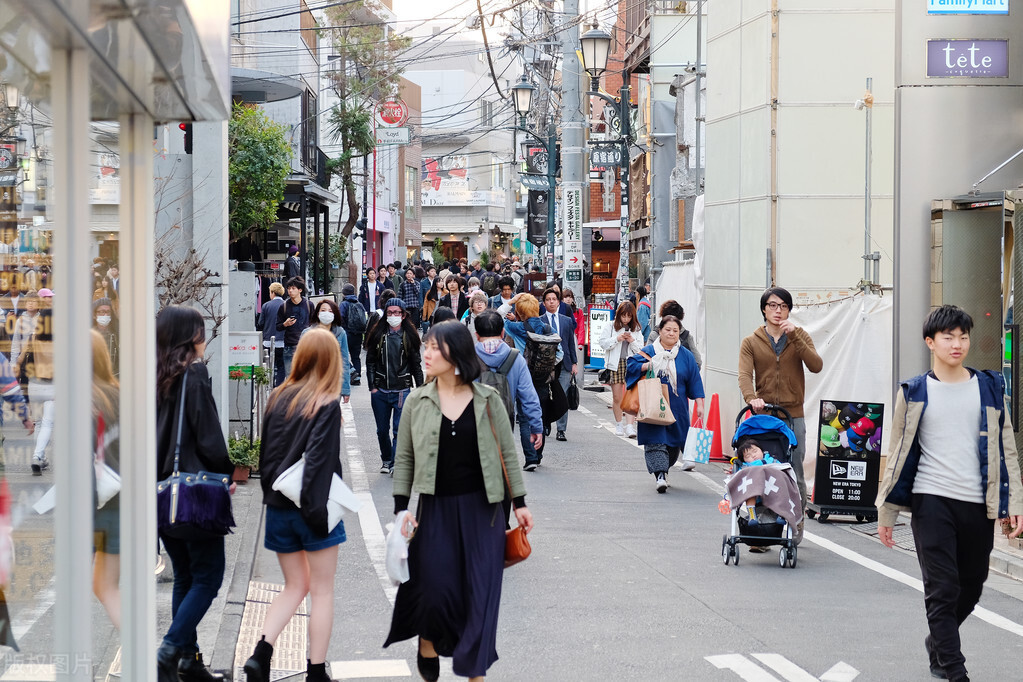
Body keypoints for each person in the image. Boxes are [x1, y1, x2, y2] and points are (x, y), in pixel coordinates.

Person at [876, 305, 1023, 682]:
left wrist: (1015, 503)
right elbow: (897, 456)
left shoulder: (989, 386)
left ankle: (938, 643)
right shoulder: (913, 392)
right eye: (948, 337)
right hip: (931, 500)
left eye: (963, 337)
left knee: (971, 585)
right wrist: (887, 512)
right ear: (930, 342)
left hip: (978, 502)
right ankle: (956, 673)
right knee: (942, 589)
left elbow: (1007, 448)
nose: (958, 344)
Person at [384, 321, 534, 682]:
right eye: (426, 347)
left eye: (435, 347)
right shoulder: (417, 402)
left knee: (480, 595)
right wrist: (402, 509)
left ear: (456, 354)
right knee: (435, 588)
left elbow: (508, 456)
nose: (426, 353)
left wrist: (520, 503)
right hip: (435, 510)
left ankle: (474, 673)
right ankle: (427, 639)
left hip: (485, 513)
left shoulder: (487, 400)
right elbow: (404, 458)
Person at [243, 329, 346, 682]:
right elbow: (318, 462)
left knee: (293, 585)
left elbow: (266, 455)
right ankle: (316, 671)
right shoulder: (327, 403)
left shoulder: (276, 397)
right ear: (332, 361)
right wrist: (319, 516)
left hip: (278, 509)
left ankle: (261, 652)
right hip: (313, 509)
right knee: (322, 590)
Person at [155, 306, 234, 682]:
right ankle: (170, 649)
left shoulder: (152, 374)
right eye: (200, 331)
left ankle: (189, 661)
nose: (204, 338)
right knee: (208, 578)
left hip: (161, 493)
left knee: (185, 577)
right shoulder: (194, 372)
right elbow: (208, 433)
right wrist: (226, 469)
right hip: (194, 492)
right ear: (189, 336)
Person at [737, 287, 822, 538]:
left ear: (789, 310)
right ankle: (762, 529)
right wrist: (752, 399)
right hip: (763, 417)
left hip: (792, 414)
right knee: (760, 471)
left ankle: (796, 525)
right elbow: (744, 375)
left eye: (783, 306)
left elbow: (816, 365)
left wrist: (795, 337)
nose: (778, 310)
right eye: (773, 305)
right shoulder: (751, 342)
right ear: (764, 309)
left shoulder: (799, 335)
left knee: (793, 470)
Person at [626, 315, 705, 494]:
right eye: (667, 330)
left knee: (672, 445)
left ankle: (665, 469)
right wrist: (648, 365)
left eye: (675, 331)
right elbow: (631, 367)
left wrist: (700, 404)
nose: (671, 333)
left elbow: (695, 380)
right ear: (659, 331)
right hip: (653, 405)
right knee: (656, 440)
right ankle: (660, 475)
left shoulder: (685, 356)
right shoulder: (649, 351)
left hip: (678, 408)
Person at [474, 310, 544, 465]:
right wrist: (536, 427)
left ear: (476, 335)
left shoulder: (467, 358)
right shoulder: (516, 359)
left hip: (472, 429)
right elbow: (529, 397)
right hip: (504, 426)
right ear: (503, 332)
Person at [365, 298, 424, 474]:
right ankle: (387, 459)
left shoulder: (409, 336)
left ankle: (396, 463)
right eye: (390, 312)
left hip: (401, 390)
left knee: (400, 430)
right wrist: (372, 386)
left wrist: (420, 389)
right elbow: (370, 363)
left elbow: (416, 365)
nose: (393, 316)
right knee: (382, 430)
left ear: (404, 315)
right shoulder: (378, 335)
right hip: (380, 390)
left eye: (397, 312)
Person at [91, 329, 121, 630]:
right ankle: (142, 658)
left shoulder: (81, 401)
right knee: (103, 585)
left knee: (102, 586)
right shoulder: (117, 394)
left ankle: (144, 660)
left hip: (91, 505)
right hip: (117, 503)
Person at [19, 287, 54, 475]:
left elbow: (24, 360)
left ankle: (40, 457)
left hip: (34, 383)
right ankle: (37, 455)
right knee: (48, 423)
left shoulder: (34, 338)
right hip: (52, 384)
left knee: (39, 422)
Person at [599, 301, 643, 437]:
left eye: (629, 316)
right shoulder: (611, 326)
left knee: (630, 396)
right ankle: (619, 424)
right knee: (617, 397)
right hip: (615, 363)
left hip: (631, 363)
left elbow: (641, 350)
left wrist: (632, 341)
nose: (626, 319)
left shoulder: (636, 329)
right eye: (623, 316)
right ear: (619, 315)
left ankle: (630, 426)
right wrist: (617, 339)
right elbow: (602, 343)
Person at [541, 288, 577, 442]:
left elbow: (570, 343)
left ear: (558, 301)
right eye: (548, 299)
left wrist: (574, 362)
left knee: (562, 396)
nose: (551, 302)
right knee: (545, 395)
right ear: (544, 303)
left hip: (565, 363)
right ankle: (546, 422)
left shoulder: (566, 320)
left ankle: (561, 429)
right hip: (545, 363)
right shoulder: (539, 320)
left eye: (554, 299)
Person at [301, 299, 351, 403]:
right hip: (312, 385)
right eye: (323, 310)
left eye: (330, 311)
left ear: (335, 314)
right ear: (318, 314)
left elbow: (344, 361)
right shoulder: (307, 333)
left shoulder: (340, 333)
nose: (326, 313)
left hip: (333, 384)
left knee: (329, 416)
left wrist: (345, 389)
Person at [276, 277, 314, 378]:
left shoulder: (309, 305)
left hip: (306, 346)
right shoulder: (283, 306)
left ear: (300, 290)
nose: (290, 291)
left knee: (306, 376)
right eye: (289, 288)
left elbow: (314, 324)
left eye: (293, 288)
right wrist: (285, 324)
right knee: (290, 377)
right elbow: (278, 327)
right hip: (289, 345)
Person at [649, 300, 702, 369]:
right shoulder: (687, 336)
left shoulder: (654, 334)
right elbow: (697, 362)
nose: (671, 334)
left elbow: (646, 358)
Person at [257, 282, 286, 387]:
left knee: (269, 366)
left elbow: (260, 323)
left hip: (268, 341)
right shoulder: (286, 305)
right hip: (282, 341)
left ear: (273, 293)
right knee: (282, 366)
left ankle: (269, 386)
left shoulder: (266, 305)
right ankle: (278, 386)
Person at [339, 283, 367, 386]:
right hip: (358, 334)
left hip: (347, 333)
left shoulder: (344, 304)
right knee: (356, 357)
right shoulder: (359, 304)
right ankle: (357, 378)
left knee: (342, 354)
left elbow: (340, 317)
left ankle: (352, 371)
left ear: (344, 293)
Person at [92, 297, 119, 377]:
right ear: (94, 315)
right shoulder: (90, 335)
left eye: (108, 312)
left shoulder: (116, 335)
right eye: (102, 312)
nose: (105, 315)